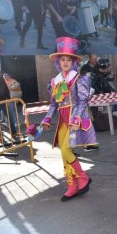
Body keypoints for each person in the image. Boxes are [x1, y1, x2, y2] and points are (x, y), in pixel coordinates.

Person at [39, 37, 97, 201]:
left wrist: (77, 116)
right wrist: (47, 118)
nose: (65, 62)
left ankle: (83, 177)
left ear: (73, 62)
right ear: (58, 62)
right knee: (64, 154)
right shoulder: (55, 81)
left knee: (66, 150)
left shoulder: (79, 78)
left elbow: (83, 100)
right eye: (62, 59)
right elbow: (53, 104)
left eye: (68, 59)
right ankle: (71, 185)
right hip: (62, 121)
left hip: (74, 119)